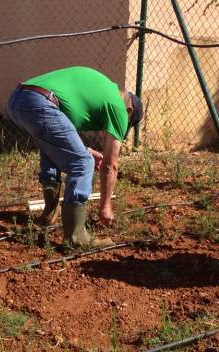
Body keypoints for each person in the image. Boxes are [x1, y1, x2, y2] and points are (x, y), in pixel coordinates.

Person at [7, 66, 143, 247]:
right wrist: (105, 207)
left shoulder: (102, 90)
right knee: (83, 163)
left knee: (51, 152)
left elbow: (60, 137)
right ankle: (76, 237)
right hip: (41, 103)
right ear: (129, 110)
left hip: (20, 98)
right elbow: (111, 165)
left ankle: (48, 214)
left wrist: (85, 149)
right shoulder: (119, 108)